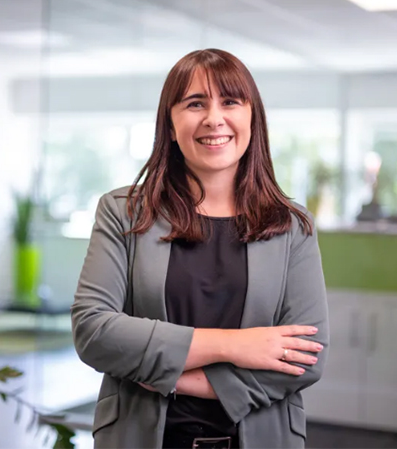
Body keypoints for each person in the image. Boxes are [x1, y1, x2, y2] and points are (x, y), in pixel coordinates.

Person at [71, 49, 329, 449]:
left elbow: (305, 356)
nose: (213, 118)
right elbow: (94, 331)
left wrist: (182, 379)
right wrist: (236, 346)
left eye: (230, 102)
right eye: (195, 104)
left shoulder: (292, 225)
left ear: (252, 118)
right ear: (171, 125)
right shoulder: (124, 212)